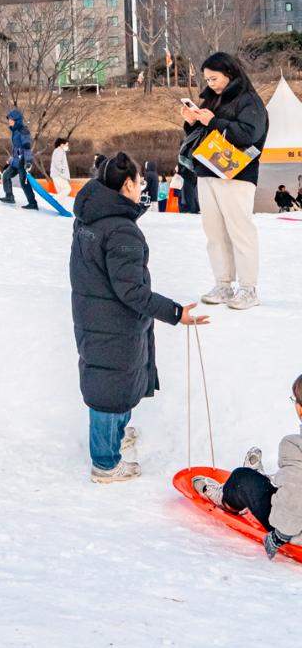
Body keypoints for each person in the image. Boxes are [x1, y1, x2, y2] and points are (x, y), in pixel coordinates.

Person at [69, 151, 208, 484]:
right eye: (140, 181)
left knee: (112, 382)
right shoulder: (121, 231)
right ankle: (105, 463)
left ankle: (115, 435)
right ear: (127, 184)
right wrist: (176, 313)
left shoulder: (90, 217)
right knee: (109, 390)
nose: (143, 186)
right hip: (113, 321)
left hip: (97, 316)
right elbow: (131, 291)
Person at [180, 52, 269, 311]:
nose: (211, 84)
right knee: (214, 232)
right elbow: (203, 133)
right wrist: (191, 122)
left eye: (215, 78)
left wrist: (214, 121)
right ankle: (223, 283)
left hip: (237, 175)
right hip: (208, 170)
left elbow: (250, 133)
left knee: (240, 231)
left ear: (229, 73)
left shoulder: (249, 100)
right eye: (207, 79)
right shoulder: (211, 99)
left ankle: (248, 288)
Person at [193, 377, 302, 558]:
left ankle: (227, 499)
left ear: (299, 408)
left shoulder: (293, 445)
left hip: (294, 528)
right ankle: (269, 479)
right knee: (291, 478)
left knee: (242, 478)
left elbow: (296, 496)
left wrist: (279, 536)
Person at [0, 109, 38, 209]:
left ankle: (33, 203)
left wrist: (28, 161)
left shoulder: (23, 131)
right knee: (6, 175)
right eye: (9, 119)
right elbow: (16, 149)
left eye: (11, 119)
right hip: (16, 160)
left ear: (17, 120)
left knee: (23, 182)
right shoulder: (15, 131)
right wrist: (10, 160)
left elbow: (26, 147)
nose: (9, 121)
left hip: (22, 160)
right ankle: (9, 197)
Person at [50, 137, 72, 202]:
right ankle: (54, 199)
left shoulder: (59, 151)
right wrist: (62, 171)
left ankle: (60, 205)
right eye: (67, 145)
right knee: (67, 189)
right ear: (62, 145)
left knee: (61, 192)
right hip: (58, 175)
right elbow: (57, 162)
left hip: (57, 174)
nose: (67, 146)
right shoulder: (59, 151)